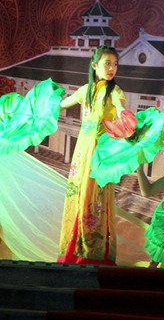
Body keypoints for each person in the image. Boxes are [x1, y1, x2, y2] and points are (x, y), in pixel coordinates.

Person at [57, 45, 127, 265]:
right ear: (95, 65)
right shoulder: (85, 91)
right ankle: (72, 252)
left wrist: (124, 115)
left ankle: (93, 254)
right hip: (82, 152)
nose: (112, 68)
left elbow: (120, 107)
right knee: (77, 196)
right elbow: (60, 106)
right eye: (107, 63)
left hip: (100, 153)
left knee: (94, 197)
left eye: (115, 64)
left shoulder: (114, 91)